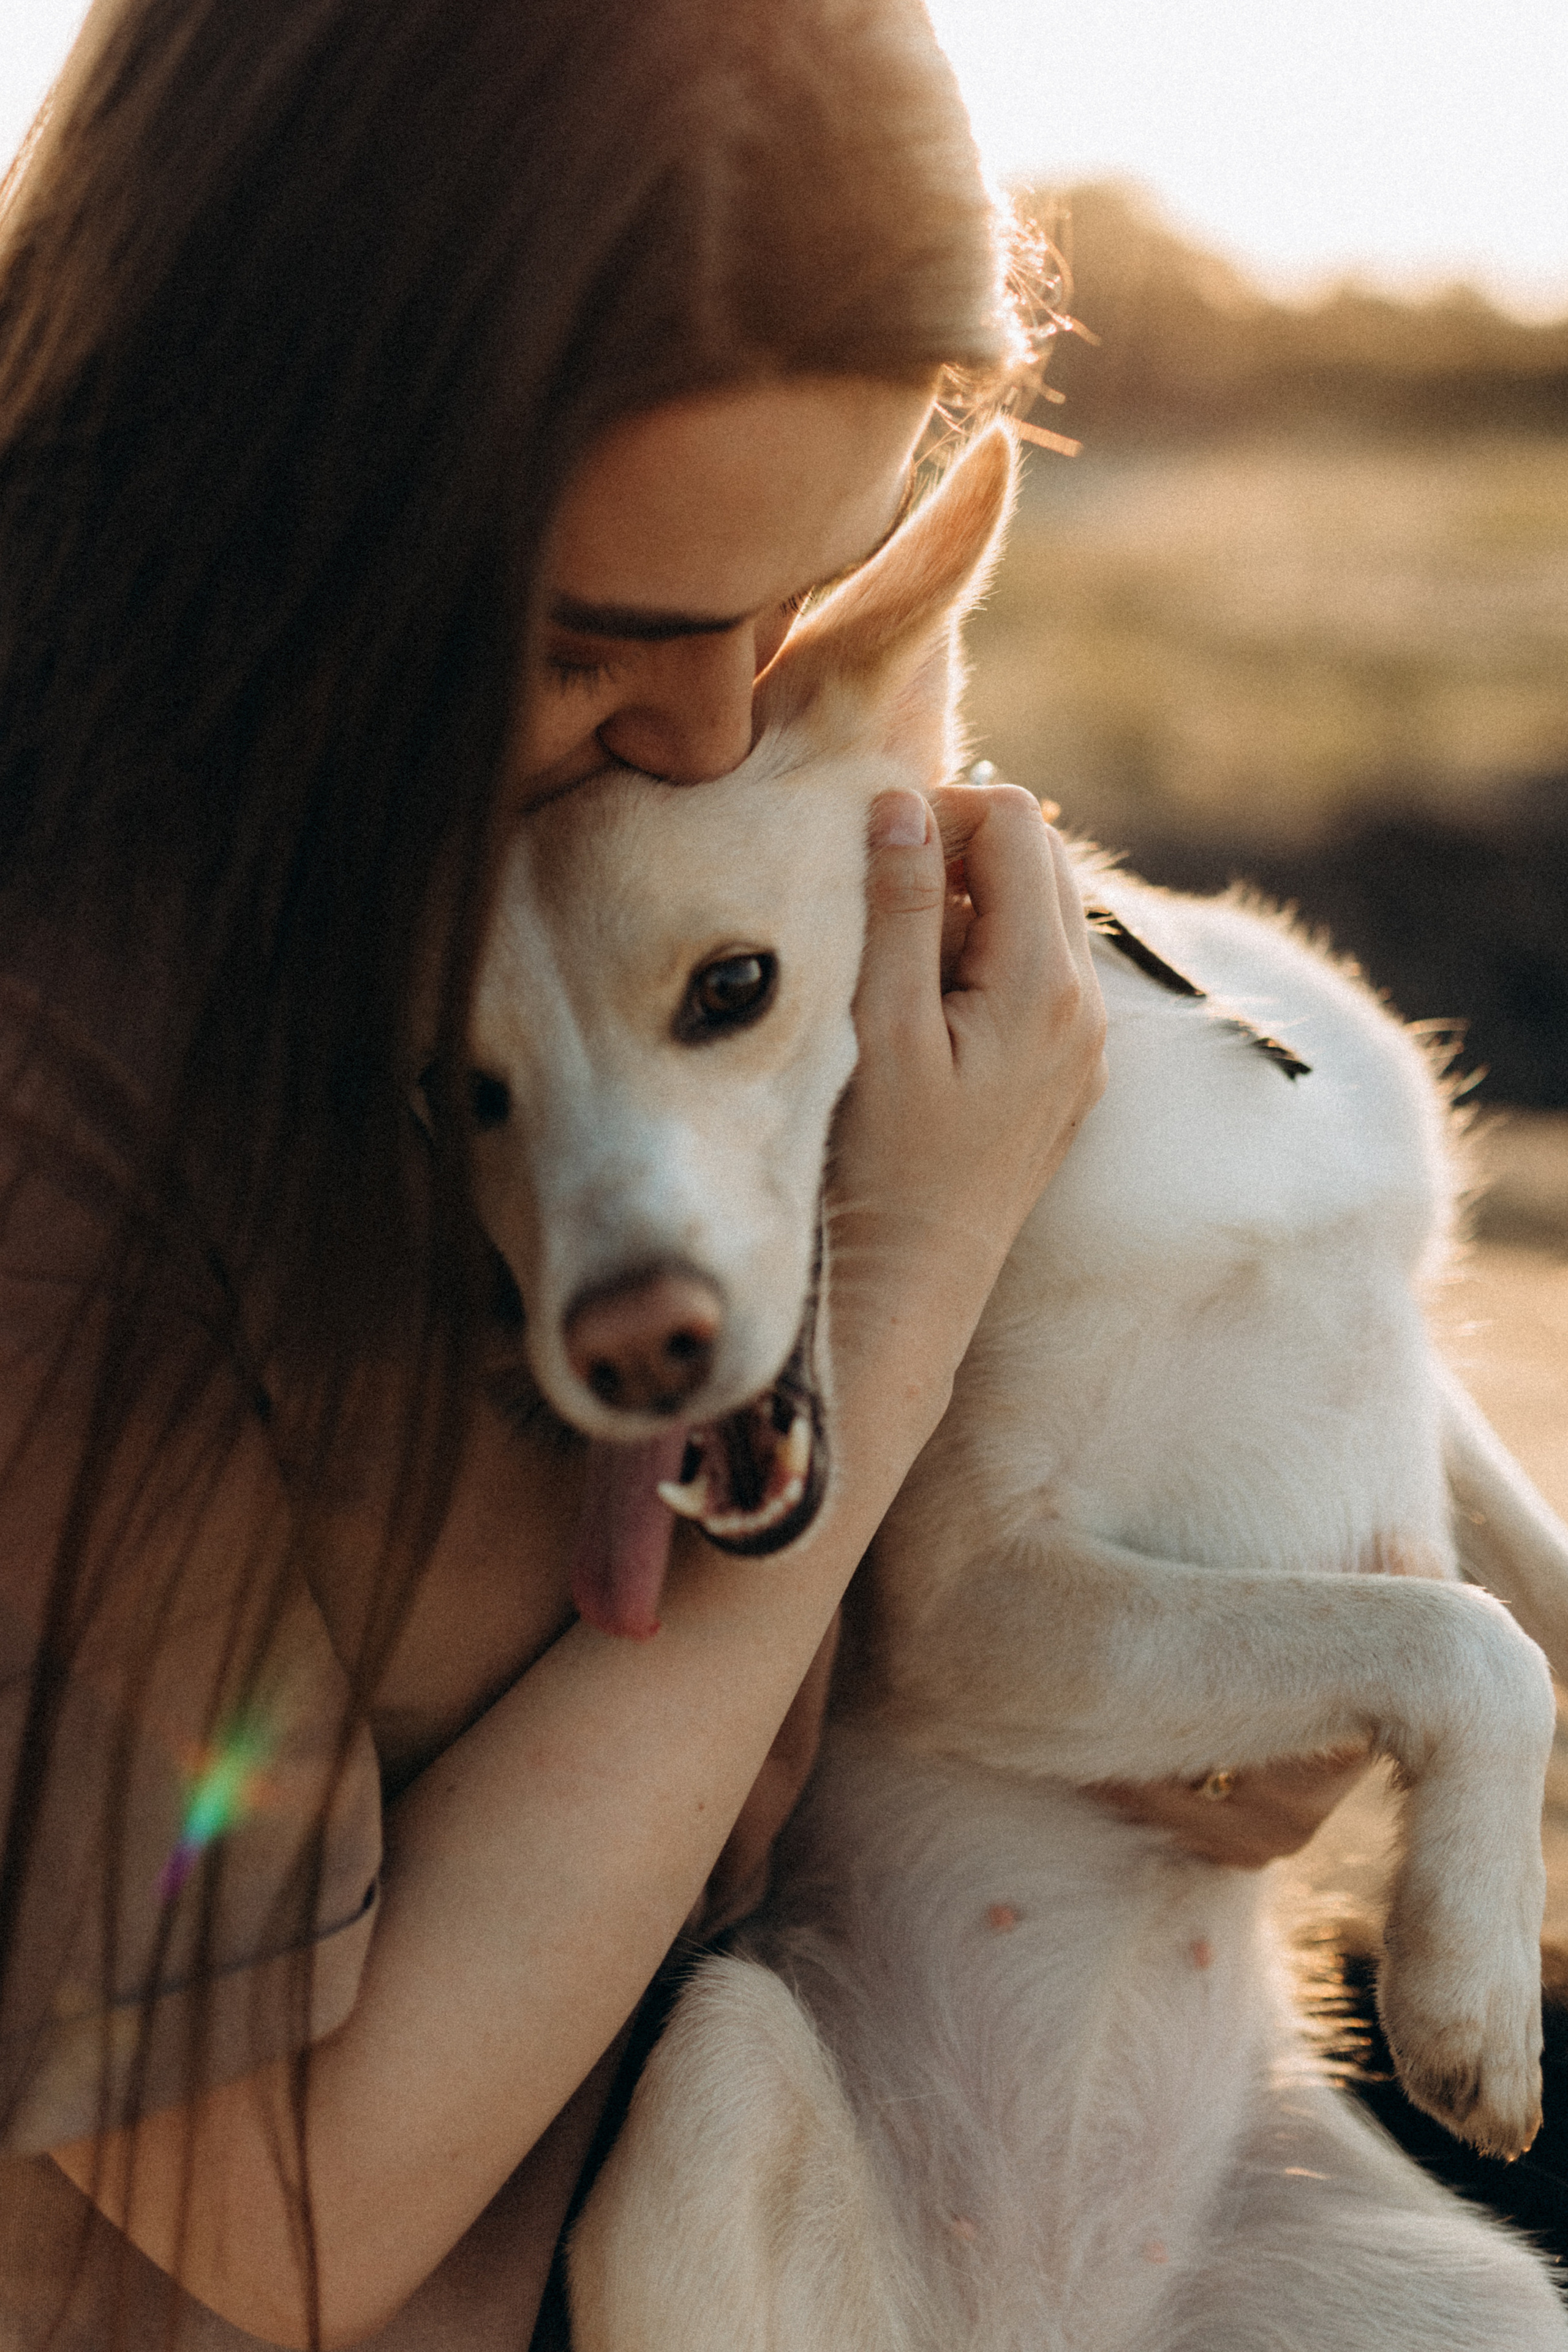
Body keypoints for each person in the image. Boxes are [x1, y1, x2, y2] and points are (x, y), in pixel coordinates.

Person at [0, 2, 1368, 2345]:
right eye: (592, 643)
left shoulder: (588, 841)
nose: (721, 732)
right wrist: (914, 1288)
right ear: (275, 482)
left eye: (788, 605)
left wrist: (1224, 1642)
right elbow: (272, 2213)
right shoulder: (66, 1101)